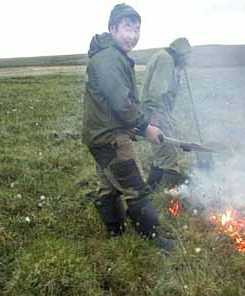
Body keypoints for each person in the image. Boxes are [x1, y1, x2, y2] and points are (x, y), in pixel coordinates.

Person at [81, 3, 173, 250]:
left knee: (108, 186)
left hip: (99, 135)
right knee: (136, 187)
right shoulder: (109, 59)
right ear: (112, 28)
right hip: (110, 137)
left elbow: (121, 103)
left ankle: (115, 230)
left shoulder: (112, 55)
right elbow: (122, 103)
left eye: (137, 29)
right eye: (127, 28)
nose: (133, 35)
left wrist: (139, 125)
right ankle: (152, 236)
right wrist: (146, 128)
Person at [140, 37, 192, 191]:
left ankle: (150, 190)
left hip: (160, 113)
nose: (188, 60)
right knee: (169, 155)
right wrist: (155, 122)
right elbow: (157, 92)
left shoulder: (165, 58)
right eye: (187, 56)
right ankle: (171, 199)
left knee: (161, 154)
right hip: (156, 113)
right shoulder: (166, 60)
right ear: (180, 54)